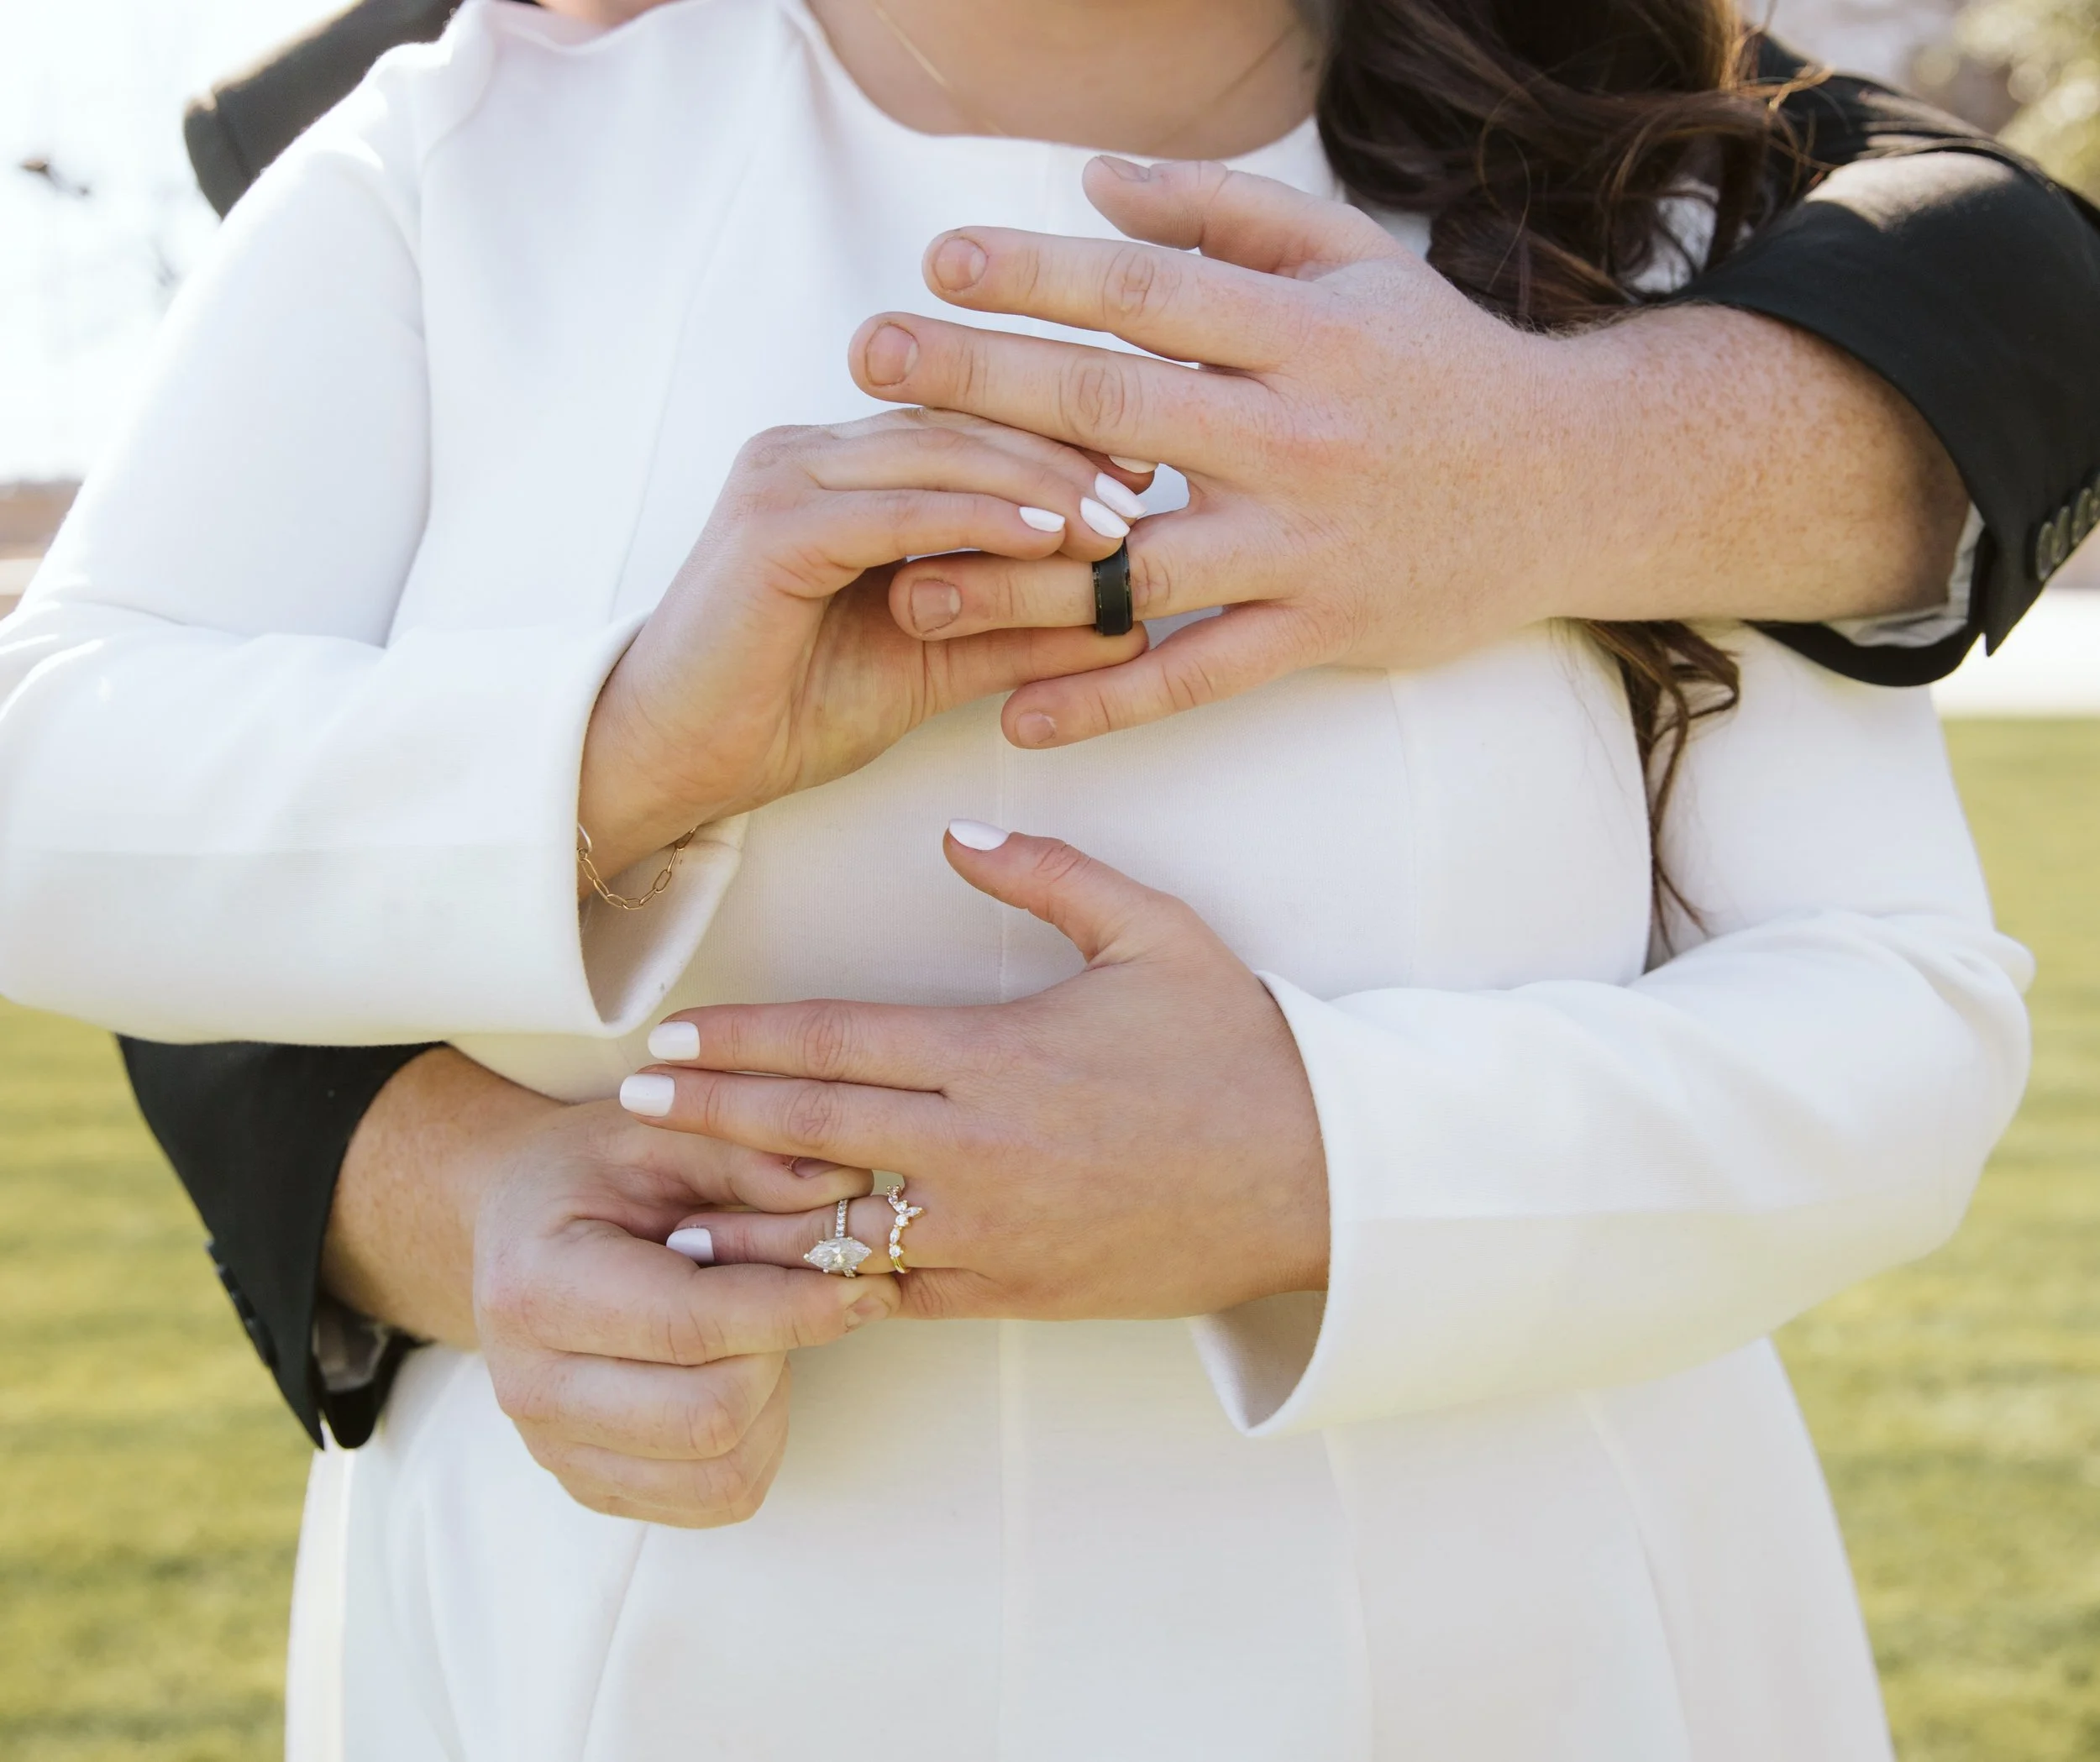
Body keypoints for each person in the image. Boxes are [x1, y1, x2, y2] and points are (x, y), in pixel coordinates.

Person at [0, 0, 2052, 1753]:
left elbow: (1898, 1004)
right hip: (647, 1641)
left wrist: (1313, 1161)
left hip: (1522, 1642)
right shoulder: (458, 166)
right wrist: (617, 747)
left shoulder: (1639, 217)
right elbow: (48, 773)